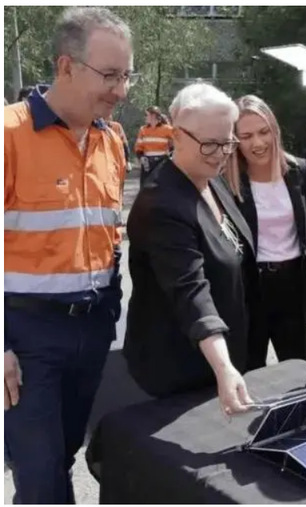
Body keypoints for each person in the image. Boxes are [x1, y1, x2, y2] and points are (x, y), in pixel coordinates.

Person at [4, 7, 133, 503]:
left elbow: (109, 234)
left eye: (126, 75)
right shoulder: (9, 135)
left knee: (63, 457)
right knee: (40, 480)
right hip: (26, 339)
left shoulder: (112, 141)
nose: (121, 90)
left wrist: (109, 311)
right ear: (65, 66)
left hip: (91, 330)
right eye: (110, 75)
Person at [123, 82, 254, 413]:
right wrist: (223, 366)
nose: (221, 154)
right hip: (178, 371)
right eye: (210, 144)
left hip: (221, 362)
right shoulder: (161, 204)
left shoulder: (211, 179)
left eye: (227, 143)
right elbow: (190, 290)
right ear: (177, 136)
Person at [226, 95, 306, 370]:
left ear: (275, 130)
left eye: (263, 132)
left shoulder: (298, 170)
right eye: (246, 136)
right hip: (249, 289)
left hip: (294, 287)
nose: (257, 143)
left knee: (295, 372)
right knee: (248, 373)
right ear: (234, 140)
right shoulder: (226, 180)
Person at [134, 105, 173, 185]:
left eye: (147, 115)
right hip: (147, 162)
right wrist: (141, 157)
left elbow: (176, 143)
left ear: (153, 116)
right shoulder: (143, 130)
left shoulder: (167, 129)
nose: (145, 117)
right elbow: (138, 147)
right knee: (146, 187)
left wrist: (171, 157)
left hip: (162, 162)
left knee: (162, 186)